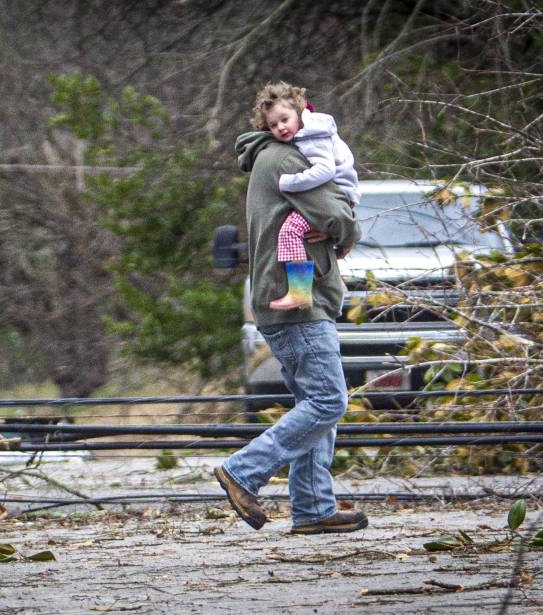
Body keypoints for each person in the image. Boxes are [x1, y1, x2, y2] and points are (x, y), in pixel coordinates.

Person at [213, 82, 368, 535]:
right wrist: (347, 233)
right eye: (275, 121)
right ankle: (244, 471)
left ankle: (314, 507)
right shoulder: (287, 159)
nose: (283, 126)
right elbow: (336, 217)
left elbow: (328, 213)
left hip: (289, 297)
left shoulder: (274, 156)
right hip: (297, 300)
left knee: (312, 400)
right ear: (266, 124)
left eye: (288, 118)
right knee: (328, 399)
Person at [266, 88, 360, 310]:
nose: (280, 127)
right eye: (273, 125)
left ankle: (299, 292)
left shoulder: (310, 135)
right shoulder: (310, 130)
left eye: (285, 119)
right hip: (338, 197)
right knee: (303, 232)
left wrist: (288, 182)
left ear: (299, 113)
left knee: (290, 231)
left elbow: (325, 171)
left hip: (339, 195)